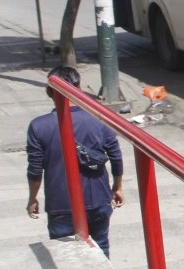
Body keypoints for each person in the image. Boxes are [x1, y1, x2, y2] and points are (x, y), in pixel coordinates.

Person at [26, 66, 125, 256]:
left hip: (61, 204)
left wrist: (33, 198)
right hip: (98, 199)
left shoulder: (38, 126)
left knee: (67, 255)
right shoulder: (98, 117)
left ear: (49, 92)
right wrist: (117, 186)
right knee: (100, 248)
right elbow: (116, 156)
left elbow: (35, 169)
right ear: (78, 89)